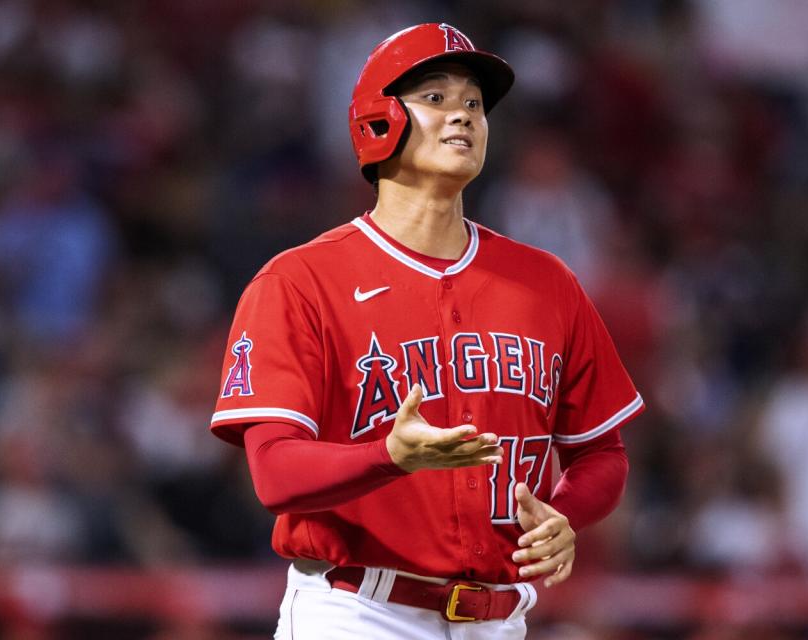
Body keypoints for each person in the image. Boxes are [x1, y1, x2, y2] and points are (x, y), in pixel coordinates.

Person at [210, 23, 644, 639]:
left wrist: (563, 513)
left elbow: (602, 454)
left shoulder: (545, 283)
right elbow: (275, 473)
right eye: (435, 98)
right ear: (378, 122)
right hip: (357, 607)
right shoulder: (302, 280)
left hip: (499, 619)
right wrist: (389, 455)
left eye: (474, 104)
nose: (462, 115)